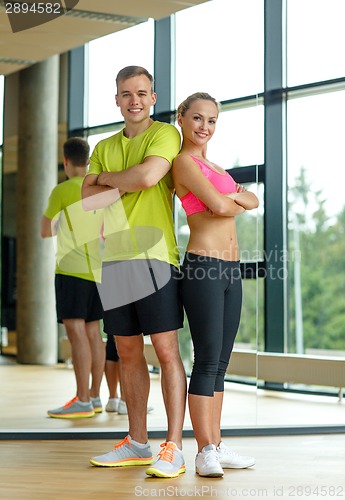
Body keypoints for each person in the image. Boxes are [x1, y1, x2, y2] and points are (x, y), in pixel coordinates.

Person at [82, 66, 187, 478]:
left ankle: (173, 447)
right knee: (126, 352)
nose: (134, 101)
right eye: (126, 94)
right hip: (115, 260)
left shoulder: (165, 135)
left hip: (156, 256)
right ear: (117, 100)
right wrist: (121, 182)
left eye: (142, 93)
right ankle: (138, 442)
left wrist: (106, 181)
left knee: (165, 350)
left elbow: (148, 176)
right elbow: (87, 202)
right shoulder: (104, 144)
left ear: (153, 98)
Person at [172, 92, 259, 477]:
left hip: (231, 271)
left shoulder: (217, 168)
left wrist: (234, 197)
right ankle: (203, 450)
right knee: (206, 360)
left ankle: (217, 445)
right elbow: (227, 207)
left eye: (211, 121)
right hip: (203, 267)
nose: (204, 127)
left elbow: (253, 198)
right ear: (182, 118)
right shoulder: (183, 163)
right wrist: (234, 199)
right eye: (197, 119)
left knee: (221, 364)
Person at [41, 137, 105, 418]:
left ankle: (81, 399)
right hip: (97, 273)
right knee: (94, 334)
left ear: (66, 161)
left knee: (77, 334)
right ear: (88, 161)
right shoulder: (97, 190)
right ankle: (94, 396)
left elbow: (45, 230)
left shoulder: (62, 190)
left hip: (70, 270)